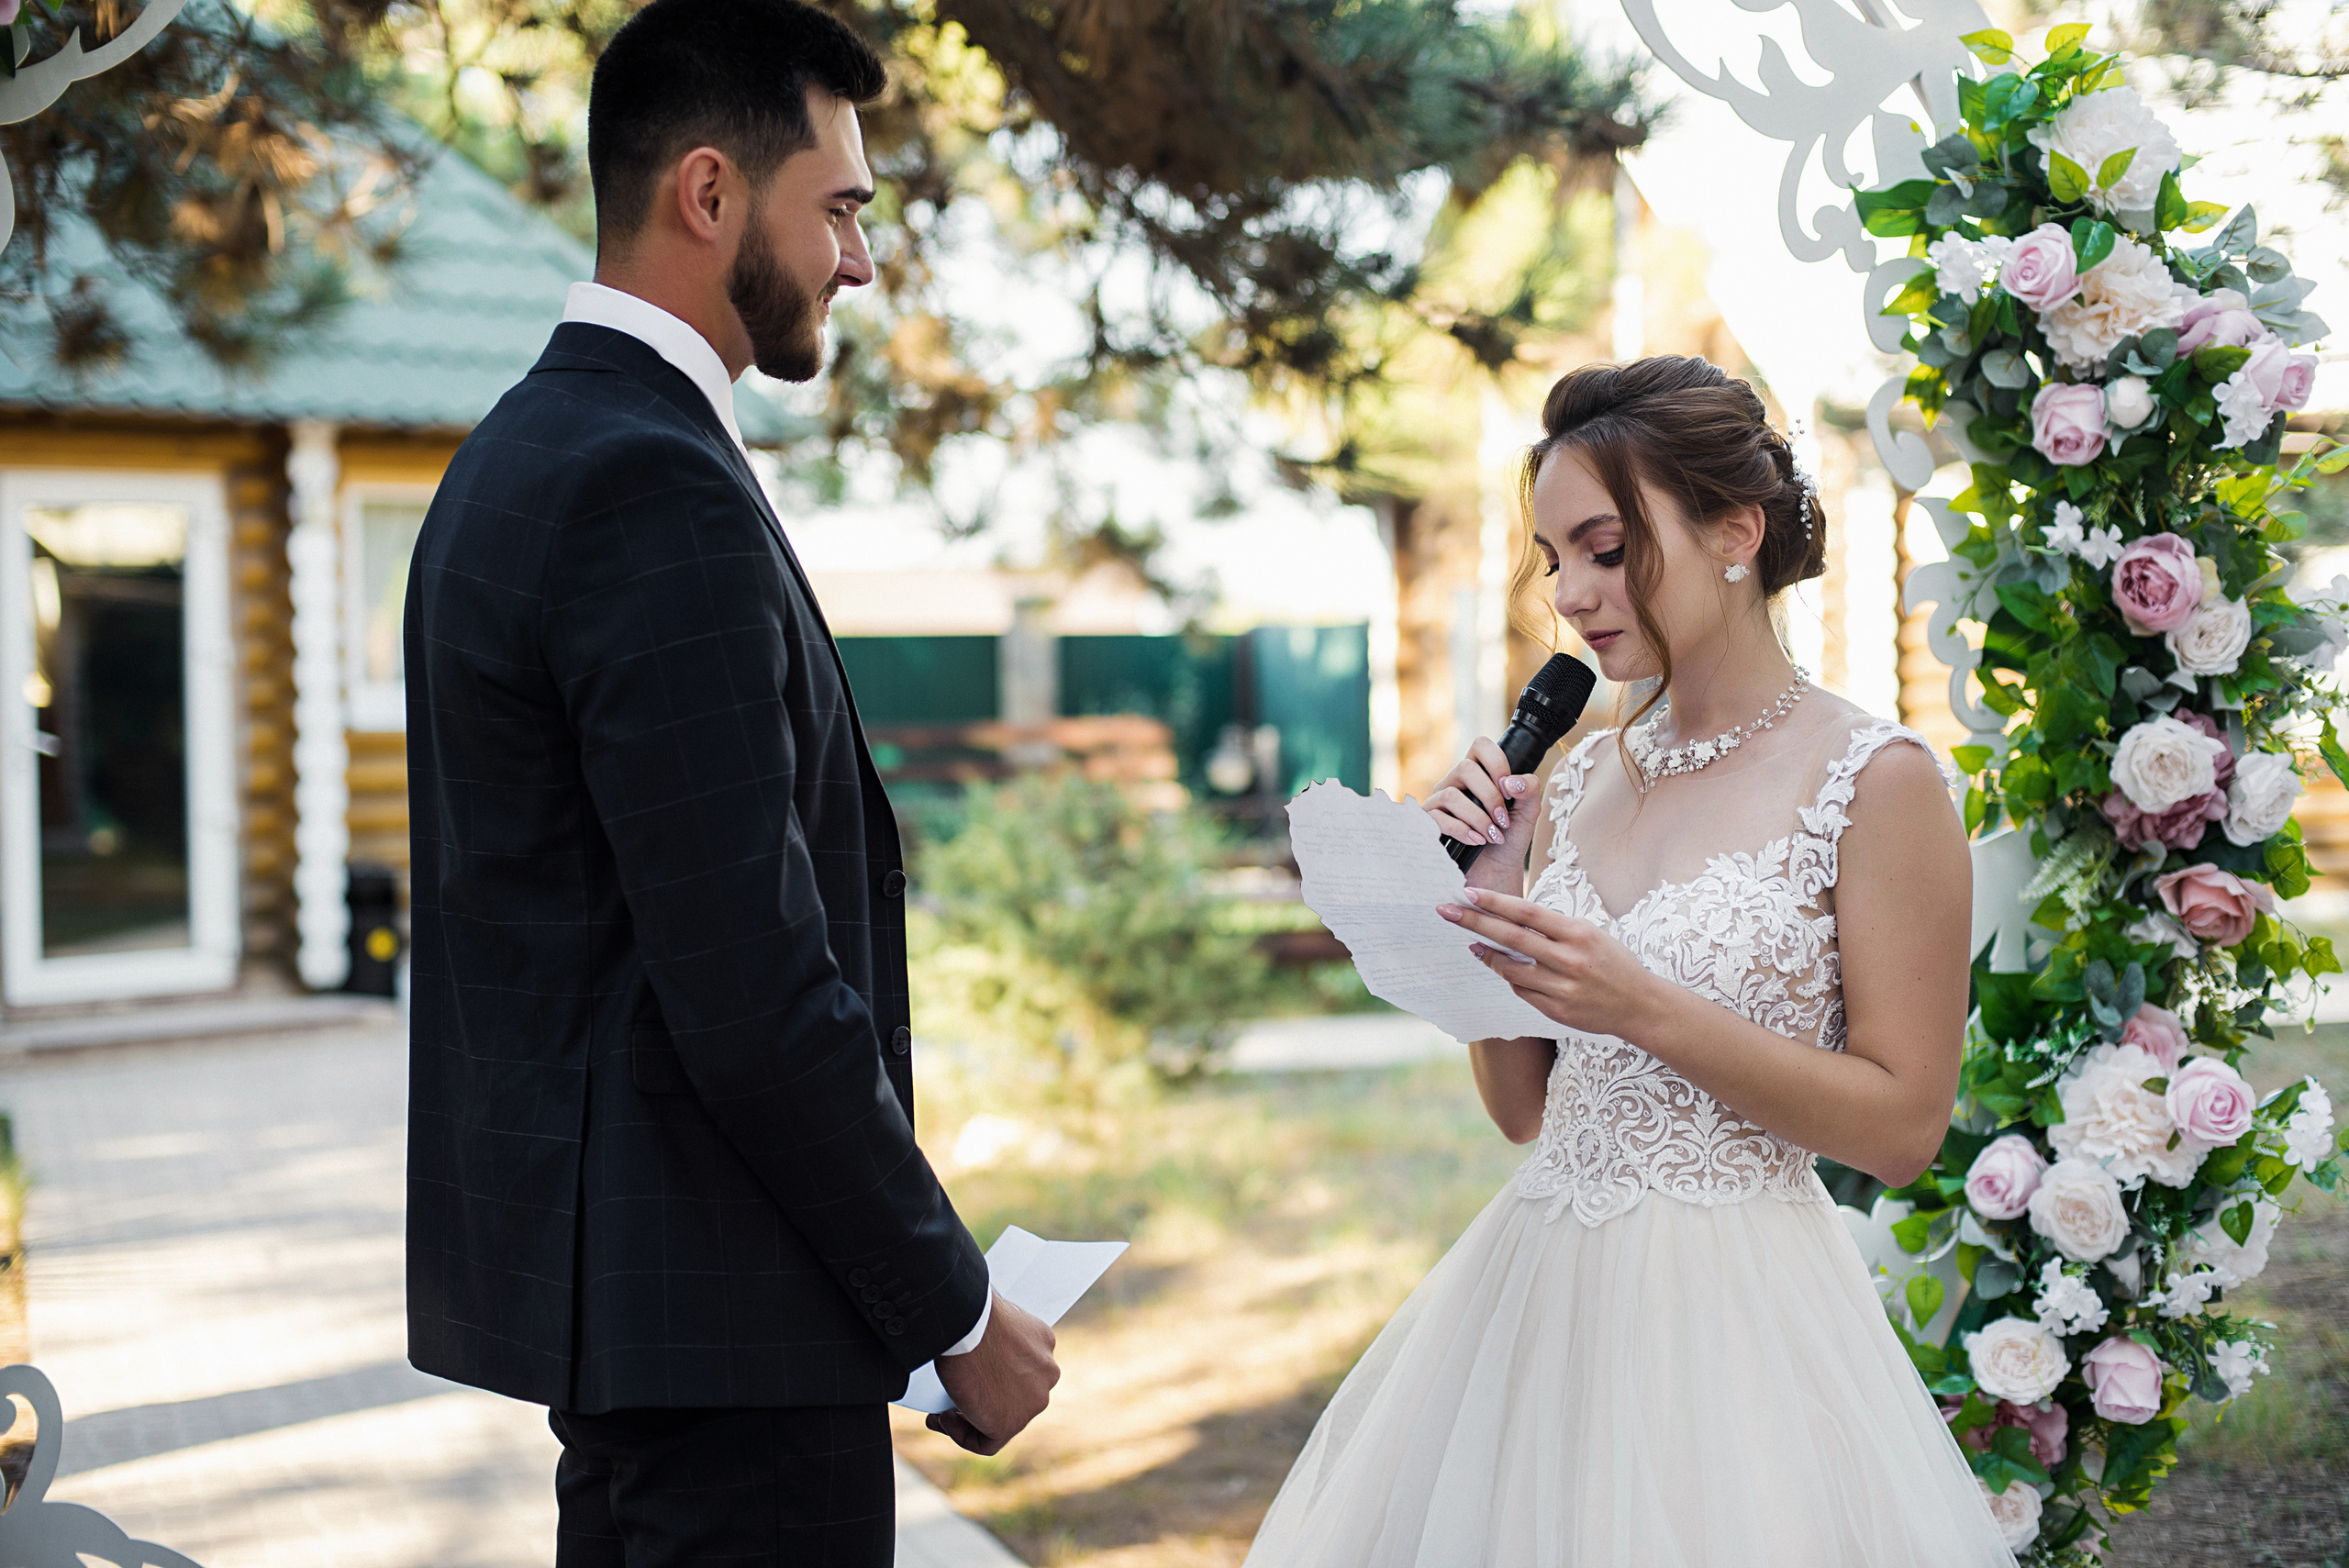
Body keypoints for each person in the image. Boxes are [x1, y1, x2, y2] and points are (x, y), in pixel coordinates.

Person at [401, 2, 1057, 1562]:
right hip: (729, 1364)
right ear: (709, 193)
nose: (860, 261)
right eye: (840, 208)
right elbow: (752, 983)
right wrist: (957, 1308)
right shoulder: (648, 484)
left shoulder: (520, 452)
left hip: (644, 1346)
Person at [1242, 357, 2014, 1565]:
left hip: (1737, 1326)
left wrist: (1645, 1006)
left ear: (1736, 531)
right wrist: (1489, 902)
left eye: (1606, 550)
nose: (1573, 595)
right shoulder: (1579, 777)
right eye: (1556, 560)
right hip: (1540, 1295)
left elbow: (1905, 1128)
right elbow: (1523, 1109)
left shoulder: (1879, 780)